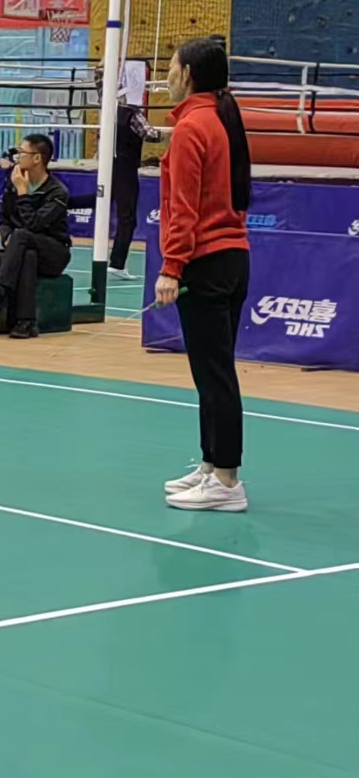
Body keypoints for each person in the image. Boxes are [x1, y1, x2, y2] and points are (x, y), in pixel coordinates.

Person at [158, 38, 253, 513]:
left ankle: (228, 481)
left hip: (206, 263)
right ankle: (211, 464)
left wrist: (171, 267)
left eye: (171, 67)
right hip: (233, 260)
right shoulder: (221, 118)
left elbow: (184, 209)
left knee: (215, 376)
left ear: (189, 74)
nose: (167, 76)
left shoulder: (193, 127)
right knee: (211, 372)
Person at [0, 132, 70, 339]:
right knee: (27, 255)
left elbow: (34, 224)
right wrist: (6, 237)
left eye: (22, 152)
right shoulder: (13, 183)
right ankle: (26, 322)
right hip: (24, 248)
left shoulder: (57, 192)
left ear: (37, 158)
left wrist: (23, 193)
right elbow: (5, 219)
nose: (18, 156)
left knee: (23, 236)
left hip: (54, 252)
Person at [109, 58, 162, 282]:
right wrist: (174, 131)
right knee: (127, 218)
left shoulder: (110, 109)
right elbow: (151, 135)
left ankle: (115, 262)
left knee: (102, 203)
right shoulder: (133, 114)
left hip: (110, 166)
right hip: (126, 169)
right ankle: (117, 263)